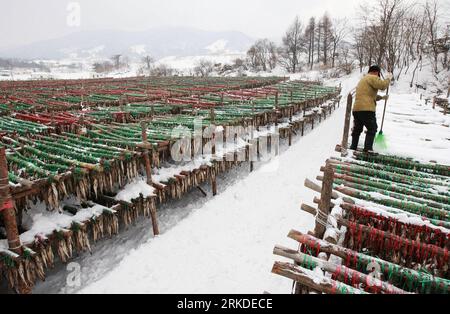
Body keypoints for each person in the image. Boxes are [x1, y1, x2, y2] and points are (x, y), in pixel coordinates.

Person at [350, 65, 393, 152]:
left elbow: (369, 95)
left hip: (357, 109)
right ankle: (368, 149)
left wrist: (381, 97)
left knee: (357, 129)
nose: (378, 76)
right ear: (376, 72)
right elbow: (382, 86)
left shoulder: (363, 79)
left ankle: (353, 147)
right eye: (378, 74)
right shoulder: (372, 77)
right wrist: (388, 79)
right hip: (367, 109)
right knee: (372, 128)